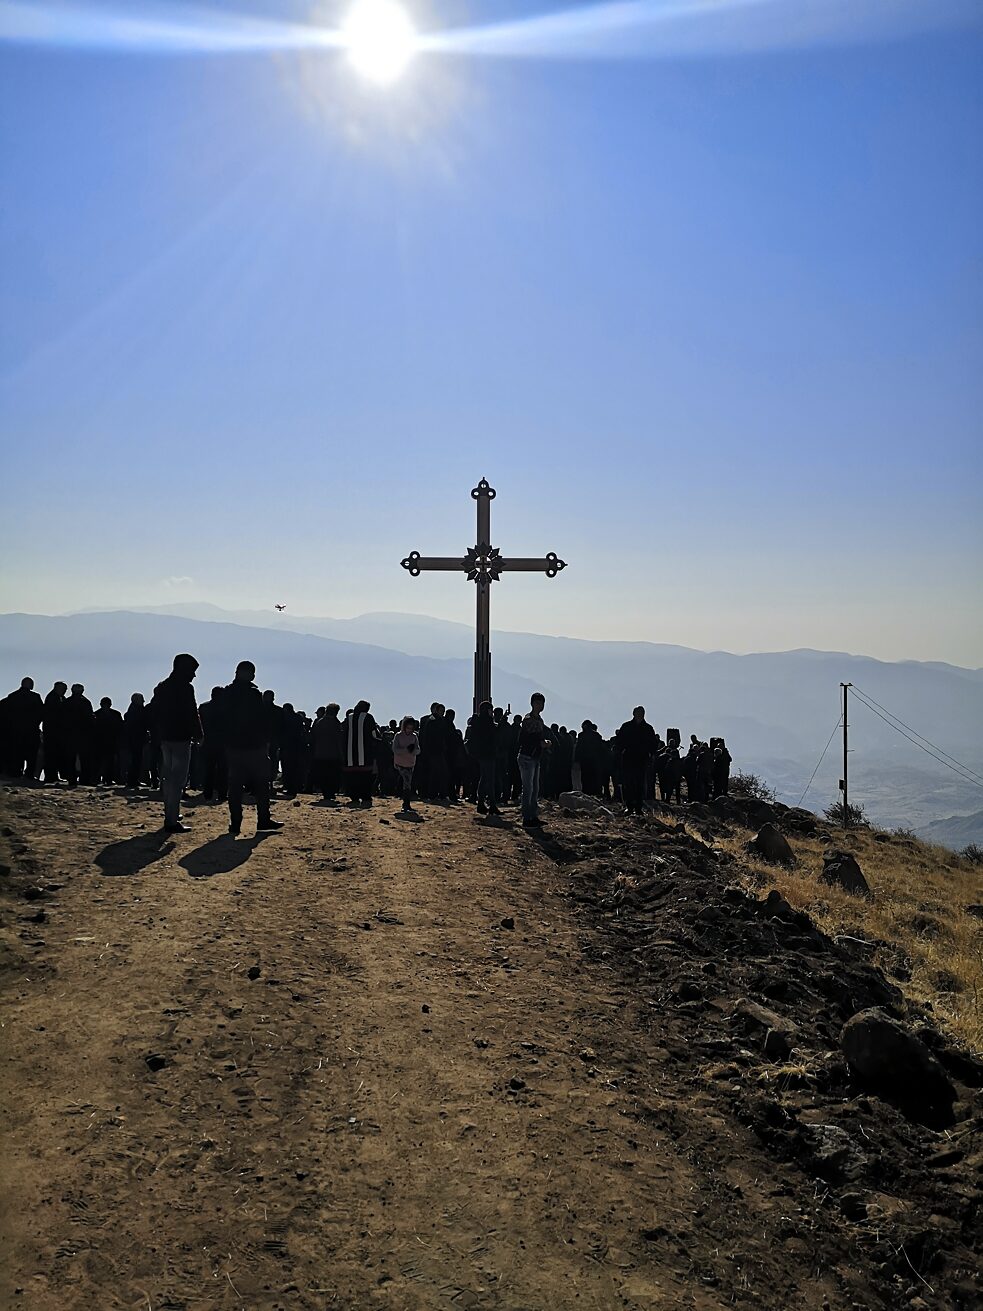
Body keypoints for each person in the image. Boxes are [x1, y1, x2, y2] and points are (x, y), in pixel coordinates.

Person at [221, 661, 283, 837]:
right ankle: (263, 819)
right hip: (254, 745)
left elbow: (222, 719)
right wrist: (265, 741)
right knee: (261, 784)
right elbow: (261, 720)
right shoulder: (253, 693)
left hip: (234, 746)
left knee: (235, 786)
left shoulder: (227, 693)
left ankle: (235, 823)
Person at [150, 654, 202, 833]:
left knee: (168, 778)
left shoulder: (162, 687)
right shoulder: (186, 688)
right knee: (177, 779)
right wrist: (199, 734)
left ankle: (171, 813)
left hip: (165, 738)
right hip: (180, 738)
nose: (194, 675)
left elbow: (154, 711)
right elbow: (192, 712)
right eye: (192, 671)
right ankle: (171, 820)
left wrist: (157, 734)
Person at [517, 692, 550, 828]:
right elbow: (526, 739)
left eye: (541, 703)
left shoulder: (539, 720)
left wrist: (543, 743)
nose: (540, 705)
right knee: (528, 789)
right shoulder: (528, 720)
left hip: (535, 757)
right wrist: (541, 743)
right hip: (527, 757)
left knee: (535, 789)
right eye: (537, 703)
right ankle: (527, 818)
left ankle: (533, 816)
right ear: (532, 704)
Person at [616, 706, 657, 816]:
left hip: (641, 759)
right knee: (628, 783)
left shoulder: (648, 728)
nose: (640, 715)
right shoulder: (626, 726)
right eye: (638, 713)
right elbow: (619, 742)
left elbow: (653, 744)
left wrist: (650, 754)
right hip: (628, 758)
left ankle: (638, 807)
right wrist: (621, 752)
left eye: (642, 713)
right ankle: (629, 807)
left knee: (640, 784)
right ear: (633, 714)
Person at [1, 677, 44, 778]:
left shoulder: (12, 696)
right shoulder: (35, 697)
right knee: (31, 755)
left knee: (17, 754)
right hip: (31, 731)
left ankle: (16, 773)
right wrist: (35, 723)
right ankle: (29, 774)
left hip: (15, 731)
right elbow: (41, 713)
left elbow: (5, 713)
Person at [465, 700, 501, 817]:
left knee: (484, 778)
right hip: (488, 754)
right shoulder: (487, 723)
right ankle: (491, 804)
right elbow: (492, 736)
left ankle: (482, 802)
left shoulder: (478, 722)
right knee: (489, 779)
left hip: (481, 754)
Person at [342, 700, 380, 806]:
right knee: (365, 778)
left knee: (352, 777)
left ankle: (354, 797)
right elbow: (374, 734)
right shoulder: (368, 717)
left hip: (349, 754)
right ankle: (365, 797)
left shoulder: (349, 717)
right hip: (365, 753)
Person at [198, 687, 227, 802]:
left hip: (208, 741)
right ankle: (222, 794)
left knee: (208, 769)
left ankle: (207, 793)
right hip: (223, 742)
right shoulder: (226, 709)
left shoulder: (204, 707)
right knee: (223, 769)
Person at [63, 684, 94, 787]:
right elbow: (90, 719)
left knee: (71, 758)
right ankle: (84, 779)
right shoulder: (85, 702)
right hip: (83, 734)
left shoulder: (67, 702)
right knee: (84, 758)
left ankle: (72, 779)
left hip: (70, 734)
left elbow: (62, 718)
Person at [311, 703, 344, 802]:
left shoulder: (319, 722)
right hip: (333, 754)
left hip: (320, 753)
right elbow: (339, 739)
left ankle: (326, 793)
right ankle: (330, 793)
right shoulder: (335, 723)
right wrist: (341, 754)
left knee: (323, 775)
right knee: (332, 775)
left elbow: (313, 737)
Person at [391, 715, 421, 815]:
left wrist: (413, 750)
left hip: (410, 763)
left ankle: (406, 803)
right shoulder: (398, 736)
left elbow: (418, 750)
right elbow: (395, 750)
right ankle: (406, 804)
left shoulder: (414, 736)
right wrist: (406, 749)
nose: (409, 730)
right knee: (407, 782)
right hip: (400, 763)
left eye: (411, 728)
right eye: (408, 728)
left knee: (407, 783)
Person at [93, 697, 124, 785]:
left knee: (109, 761)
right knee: (101, 761)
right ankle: (100, 778)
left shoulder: (98, 714)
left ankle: (106, 779)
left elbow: (120, 728)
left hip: (110, 741)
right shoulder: (97, 714)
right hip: (101, 741)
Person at [42, 682, 68, 783]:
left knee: (56, 755)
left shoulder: (60, 698)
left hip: (57, 732)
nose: (65, 691)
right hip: (52, 731)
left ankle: (53, 775)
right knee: (51, 755)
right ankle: (50, 776)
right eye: (63, 689)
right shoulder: (52, 698)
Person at [124, 693, 150, 789]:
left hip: (133, 738)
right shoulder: (138, 711)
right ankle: (132, 780)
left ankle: (133, 780)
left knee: (135, 760)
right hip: (136, 738)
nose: (143, 701)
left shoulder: (132, 711)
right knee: (136, 760)